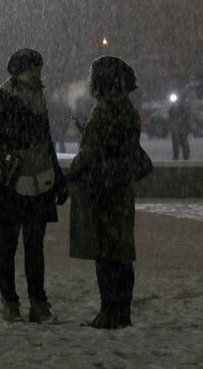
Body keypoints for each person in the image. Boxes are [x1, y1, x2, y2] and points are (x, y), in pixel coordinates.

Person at [0, 48, 68, 323]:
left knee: (35, 246)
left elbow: (46, 143)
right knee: (8, 245)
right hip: (11, 181)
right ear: (18, 72)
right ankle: (10, 302)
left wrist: (57, 177)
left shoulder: (40, 99)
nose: (36, 75)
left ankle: (38, 301)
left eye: (38, 69)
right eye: (32, 69)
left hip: (39, 180)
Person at [66, 55, 143, 329]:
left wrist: (70, 173)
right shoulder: (128, 109)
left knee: (105, 253)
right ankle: (122, 312)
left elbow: (90, 152)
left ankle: (108, 312)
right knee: (121, 253)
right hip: (121, 188)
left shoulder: (104, 111)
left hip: (102, 189)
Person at [168, 94, 191, 160]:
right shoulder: (174, 106)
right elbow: (170, 113)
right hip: (176, 127)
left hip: (182, 127)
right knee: (176, 143)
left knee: (183, 142)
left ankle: (185, 156)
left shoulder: (184, 106)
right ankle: (176, 156)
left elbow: (187, 115)